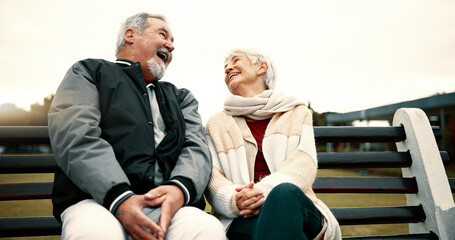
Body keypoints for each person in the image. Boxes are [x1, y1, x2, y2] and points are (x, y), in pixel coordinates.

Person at [48, 12, 225, 240]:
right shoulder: (88, 73)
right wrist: (120, 197)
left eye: (173, 41)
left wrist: (179, 189)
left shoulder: (182, 98)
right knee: (95, 234)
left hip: (169, 204)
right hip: (96, 202)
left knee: (207, 230)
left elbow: (197, 149)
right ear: (130, 35)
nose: (171, 46)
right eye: (163, 34)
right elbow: (77, 137)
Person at [204, 48, 342, 240]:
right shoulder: (217, 123)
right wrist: (235, 200)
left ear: (262, 67)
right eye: (225, 67)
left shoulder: (296, 112)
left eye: (235, 60)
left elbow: (303, 165)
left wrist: (259, 193)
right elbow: (213, 177)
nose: (228, 69)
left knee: (283, 194)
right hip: (242, 216)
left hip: (297, 208)